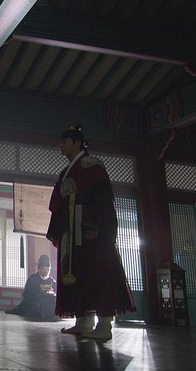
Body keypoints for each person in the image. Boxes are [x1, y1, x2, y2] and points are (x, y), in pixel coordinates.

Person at [45, 124, 135, 339]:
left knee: (98, 274)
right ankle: (83, 320)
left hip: (90, 232)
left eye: (65, 141)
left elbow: (101, 199)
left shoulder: (92, 166)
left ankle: (104, 325)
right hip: (71, 230)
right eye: (60, 142)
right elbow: (59, 202)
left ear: (78, 143)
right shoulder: (65, 172)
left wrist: (95, 226)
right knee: (76, 273)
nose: (61, 145)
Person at [6, 254, 57, 319]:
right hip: (34, 303)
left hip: (47, 304)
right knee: (34, 309)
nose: (46, 271)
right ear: (39, 269)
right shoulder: (32, 279)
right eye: (43, 268)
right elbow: (28, 294)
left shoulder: (52, 281)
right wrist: (40, 289)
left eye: (48, 269)